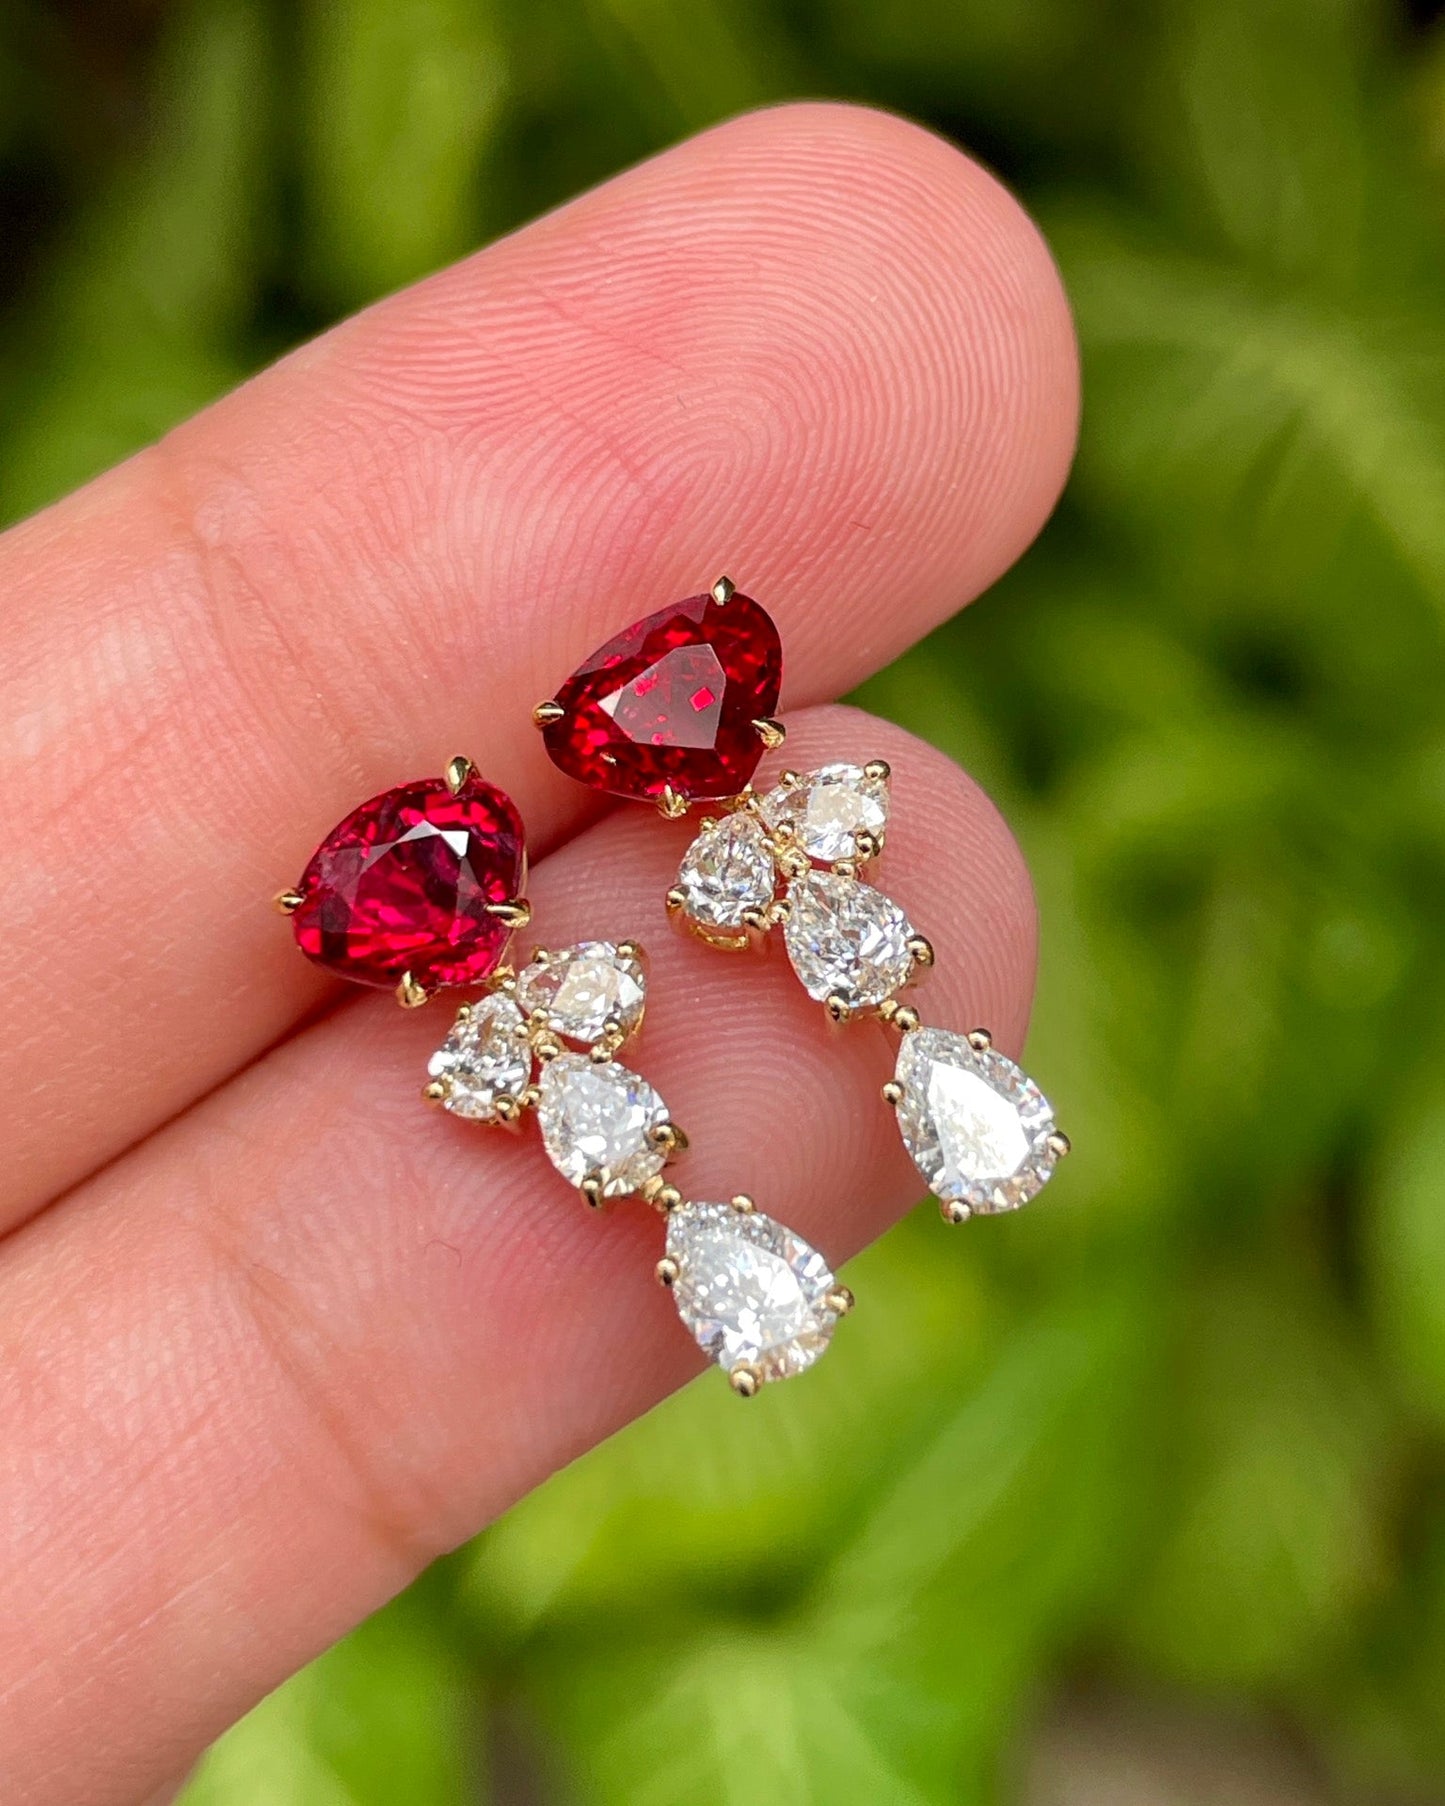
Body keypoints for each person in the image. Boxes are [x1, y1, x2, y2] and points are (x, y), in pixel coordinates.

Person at [0, 102, 1078, 1806]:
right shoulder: (509, 933)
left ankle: (914, 1114)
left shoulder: (662, 839)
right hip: (588, 1007)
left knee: (839, 1023)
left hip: (670, 941)